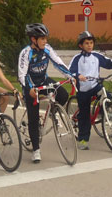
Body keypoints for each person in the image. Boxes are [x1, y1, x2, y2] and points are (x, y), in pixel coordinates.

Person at [18, 23, 74, 163]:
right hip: (30, 85)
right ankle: (36, 150)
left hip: (43, 80)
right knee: (33, 117)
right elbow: (22, 75)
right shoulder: (25, 53)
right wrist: (30, 89)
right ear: (33, 39)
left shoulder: (47, 49)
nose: (45, 41)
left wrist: (70, 76)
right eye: (42, 38)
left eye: (45, 38)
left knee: (62, 94)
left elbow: (58, 63)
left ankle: (52, 111)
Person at [68, 31, 112, 150]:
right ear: (81, 45)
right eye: (87, 43)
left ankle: (107, 113)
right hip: (83, 90)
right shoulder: (77, 58)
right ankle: (83, 139)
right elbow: (70, 71)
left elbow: (109, 62)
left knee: (107, 95)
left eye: (91, 43)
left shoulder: (97, 56)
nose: (89, 45)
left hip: (95, 86)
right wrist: (78, 75)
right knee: (84, 116)